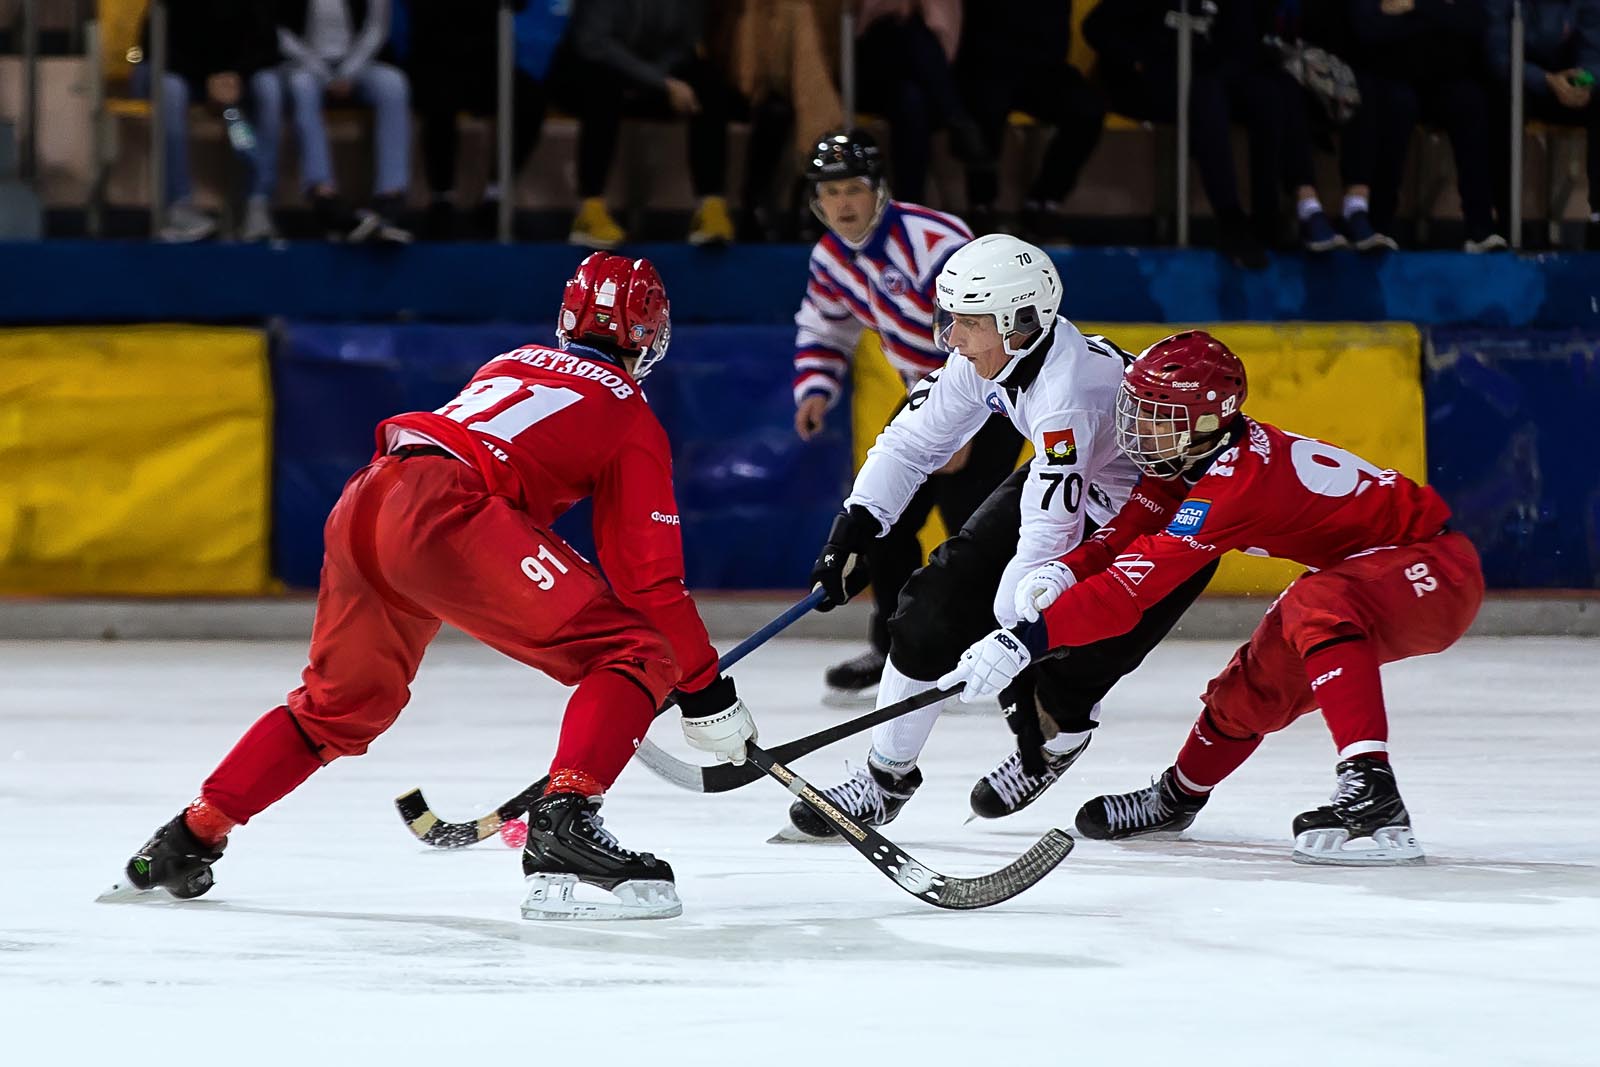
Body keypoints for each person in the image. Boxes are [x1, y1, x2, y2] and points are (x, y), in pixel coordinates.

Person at [104, 254, 761, 920]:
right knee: (636, 649)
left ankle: (190, 832)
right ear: (650, 335)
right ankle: (565, 822)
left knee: (339, 704)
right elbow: (649, 579)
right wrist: (706, 691)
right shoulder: (630, 412)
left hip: (368, 496)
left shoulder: (511, 361)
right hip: (449, 512)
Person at [941, 331, 1484, 865]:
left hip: (1436, 570)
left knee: (1314, 604)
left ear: (1206, 421)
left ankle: (1371, 788)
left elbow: (1126, 594)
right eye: (1137, 407)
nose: (1138, 427)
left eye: (1157, 414)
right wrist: (1065, 570)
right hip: (1374, 569)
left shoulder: (1235, 485)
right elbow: (1127, 532)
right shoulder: (1190, 461)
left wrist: (1025, 640)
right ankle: (1177, 797)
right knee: (1251, 683)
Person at [778, 234, 1219, 840]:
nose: (952, 338)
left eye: (968, 322)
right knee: (929, 611)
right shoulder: (986, 359)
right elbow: (911, 443)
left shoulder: (1074, 396)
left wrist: (1015, 644)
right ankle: (885, 780)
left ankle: (1060, 737)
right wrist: (856, 525)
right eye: (950, 318)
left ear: (1021, 323)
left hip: (1156, 529)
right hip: (1067, 492)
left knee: (1064, 673)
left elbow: (1047, 539)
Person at [790, 129, 1021, 705]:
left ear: (879, 191)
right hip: (931, 390)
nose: (842, 203)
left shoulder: (936, 242)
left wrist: (960, 421)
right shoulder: (831, 255)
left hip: (993, 386)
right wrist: (816, 390)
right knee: (884, 519)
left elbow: (982, 332)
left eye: (853, 189)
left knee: (975, 526)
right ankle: (897, 648)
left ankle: (995, 651)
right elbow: (827, 325)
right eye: (830, 191)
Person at [550, 0, 738, 247]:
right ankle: (589, 209)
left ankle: (711, 206)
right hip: (594, 69)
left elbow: (684, 44)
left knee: (709, 84)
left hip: (655, 73)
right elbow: (594, 43)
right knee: (601, 89)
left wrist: (659, 78)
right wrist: (659, 82)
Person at [138, 0, 282, 243]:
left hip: (234, 84)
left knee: (267, 90)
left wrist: (235, 74)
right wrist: (208, 79)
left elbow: (267, 45)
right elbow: (153, 46)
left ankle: (258, 202)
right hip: (183, 74)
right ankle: (179, 205)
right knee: (170, 92)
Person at [278, 0, 414, 242]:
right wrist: (324, 73)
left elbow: (376, 29)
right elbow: (282, 33)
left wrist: (347, 72)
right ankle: (322, 192)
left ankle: (390, 195)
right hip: (306, 65)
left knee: (394, 84)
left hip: (357, 63)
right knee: (301, 87)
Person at [1484, 0, 1600, 250]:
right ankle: (1505, 220)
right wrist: (1546, 80)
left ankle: (1597, 218)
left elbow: (1594, 51)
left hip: (1572, 86)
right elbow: (1497, 57)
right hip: (1523, 84)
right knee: (1499, 104)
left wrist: (1585, 80)